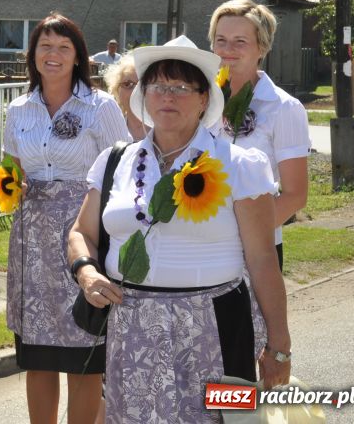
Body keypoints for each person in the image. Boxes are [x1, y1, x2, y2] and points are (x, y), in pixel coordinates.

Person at [68, 35, 291, 423]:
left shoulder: (239, 164)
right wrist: (86, 272)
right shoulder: (115, 161)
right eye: (157, 86)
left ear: (205, 99)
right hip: (131, 326)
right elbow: (80, 233)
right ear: (144, 95)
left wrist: (279, 346)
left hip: (217, 326)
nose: (167, 96)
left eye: (182, 87)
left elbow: (261, 259)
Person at [3, 13, 128, 424]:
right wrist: (10, 185)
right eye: (45, 46)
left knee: (83, 353)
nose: (52, 55)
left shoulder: (101, 106)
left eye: (63, 47)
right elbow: (11, 170)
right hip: (32, 241)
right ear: (32, 54)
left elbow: (121, 167)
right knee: (38, 354)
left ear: (78, 57)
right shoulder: (18, 109)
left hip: (85, 232)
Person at [209, 0, 309, 270]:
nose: (227, 50)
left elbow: (295, 195)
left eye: (240, 41)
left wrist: (240, 233)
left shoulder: (283, 107)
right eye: (221, 40)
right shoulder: (198, 98)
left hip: (255, 249)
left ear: (262, 48)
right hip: (199, 245)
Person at [103, 54, 147, 141]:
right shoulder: (108, 128)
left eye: (142, 85)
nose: (135, 92)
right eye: (128, 84)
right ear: (116, 90)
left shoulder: (168, 131)